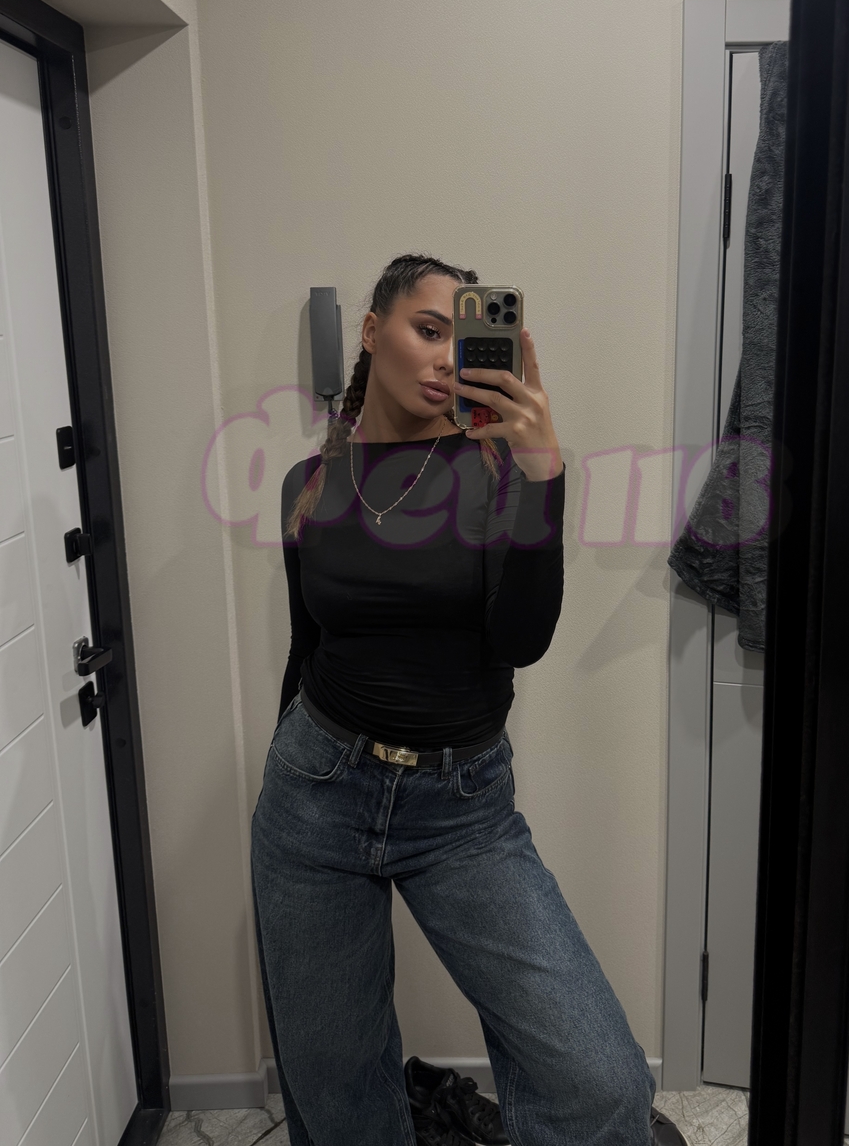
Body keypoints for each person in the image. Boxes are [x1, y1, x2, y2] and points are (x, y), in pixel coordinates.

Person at [251, 254, 688, 1146]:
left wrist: (543, 474)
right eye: (428, 329)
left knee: (599, 1080)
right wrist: (286, 777)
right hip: (314, 793)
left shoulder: (497, 474)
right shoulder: (308, 483)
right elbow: (308, 644)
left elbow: (521, 640)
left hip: (461, 810)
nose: (448, 356)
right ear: (371, 331)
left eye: (465, 336)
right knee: (336, 1092)